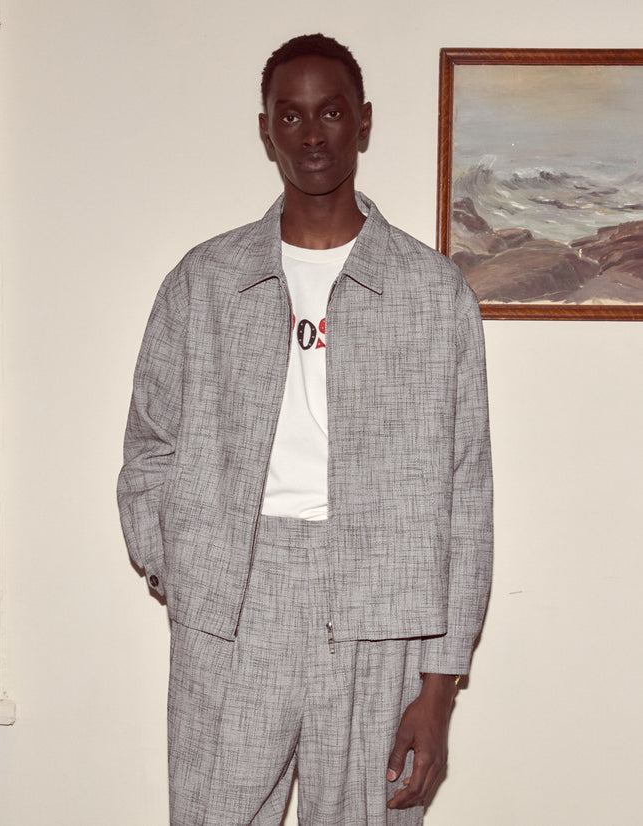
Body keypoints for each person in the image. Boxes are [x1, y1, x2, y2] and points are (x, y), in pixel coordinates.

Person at [118, 33, 492, 826]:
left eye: (329, 112)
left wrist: (438, 688)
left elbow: (467, 491)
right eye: (290, 116)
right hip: (235, 597)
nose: (312, 134)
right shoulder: (206, 281)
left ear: (363, 121)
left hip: (386, 606)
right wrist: (185, 566)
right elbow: (150, 445)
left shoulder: (431, 292)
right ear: (266, 130)